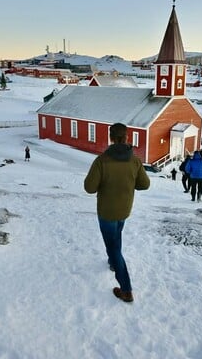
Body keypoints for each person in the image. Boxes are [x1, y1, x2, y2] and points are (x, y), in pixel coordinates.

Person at [84, 123, 150, 303]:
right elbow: (144, 184)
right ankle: (113, 263)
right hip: (124, 210)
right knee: (116, 237)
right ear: (126, 137)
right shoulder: (134, 160)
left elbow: (89, 188)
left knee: (113, 246)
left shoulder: (102, 161)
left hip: (106, 211)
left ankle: (126, 290)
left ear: (111, 137)